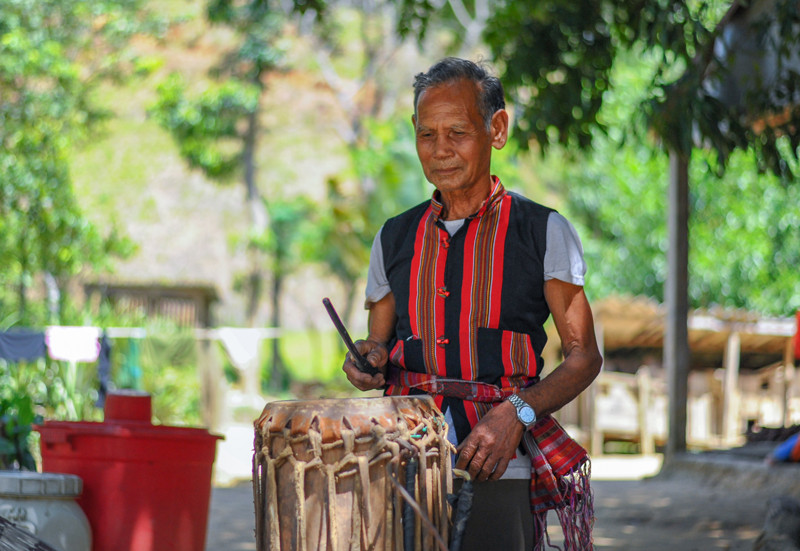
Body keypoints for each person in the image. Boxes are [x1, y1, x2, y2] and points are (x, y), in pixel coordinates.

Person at [342, 57, 603, 551]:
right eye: (427, 134)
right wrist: (367, 360)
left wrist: (516, 414)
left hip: (499, 464)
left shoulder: (543, 231)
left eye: (457, 133)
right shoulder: (393, 237)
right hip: (402, 459)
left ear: (496, 129)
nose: (440, 149)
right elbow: (378, 343)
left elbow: (584, 356)